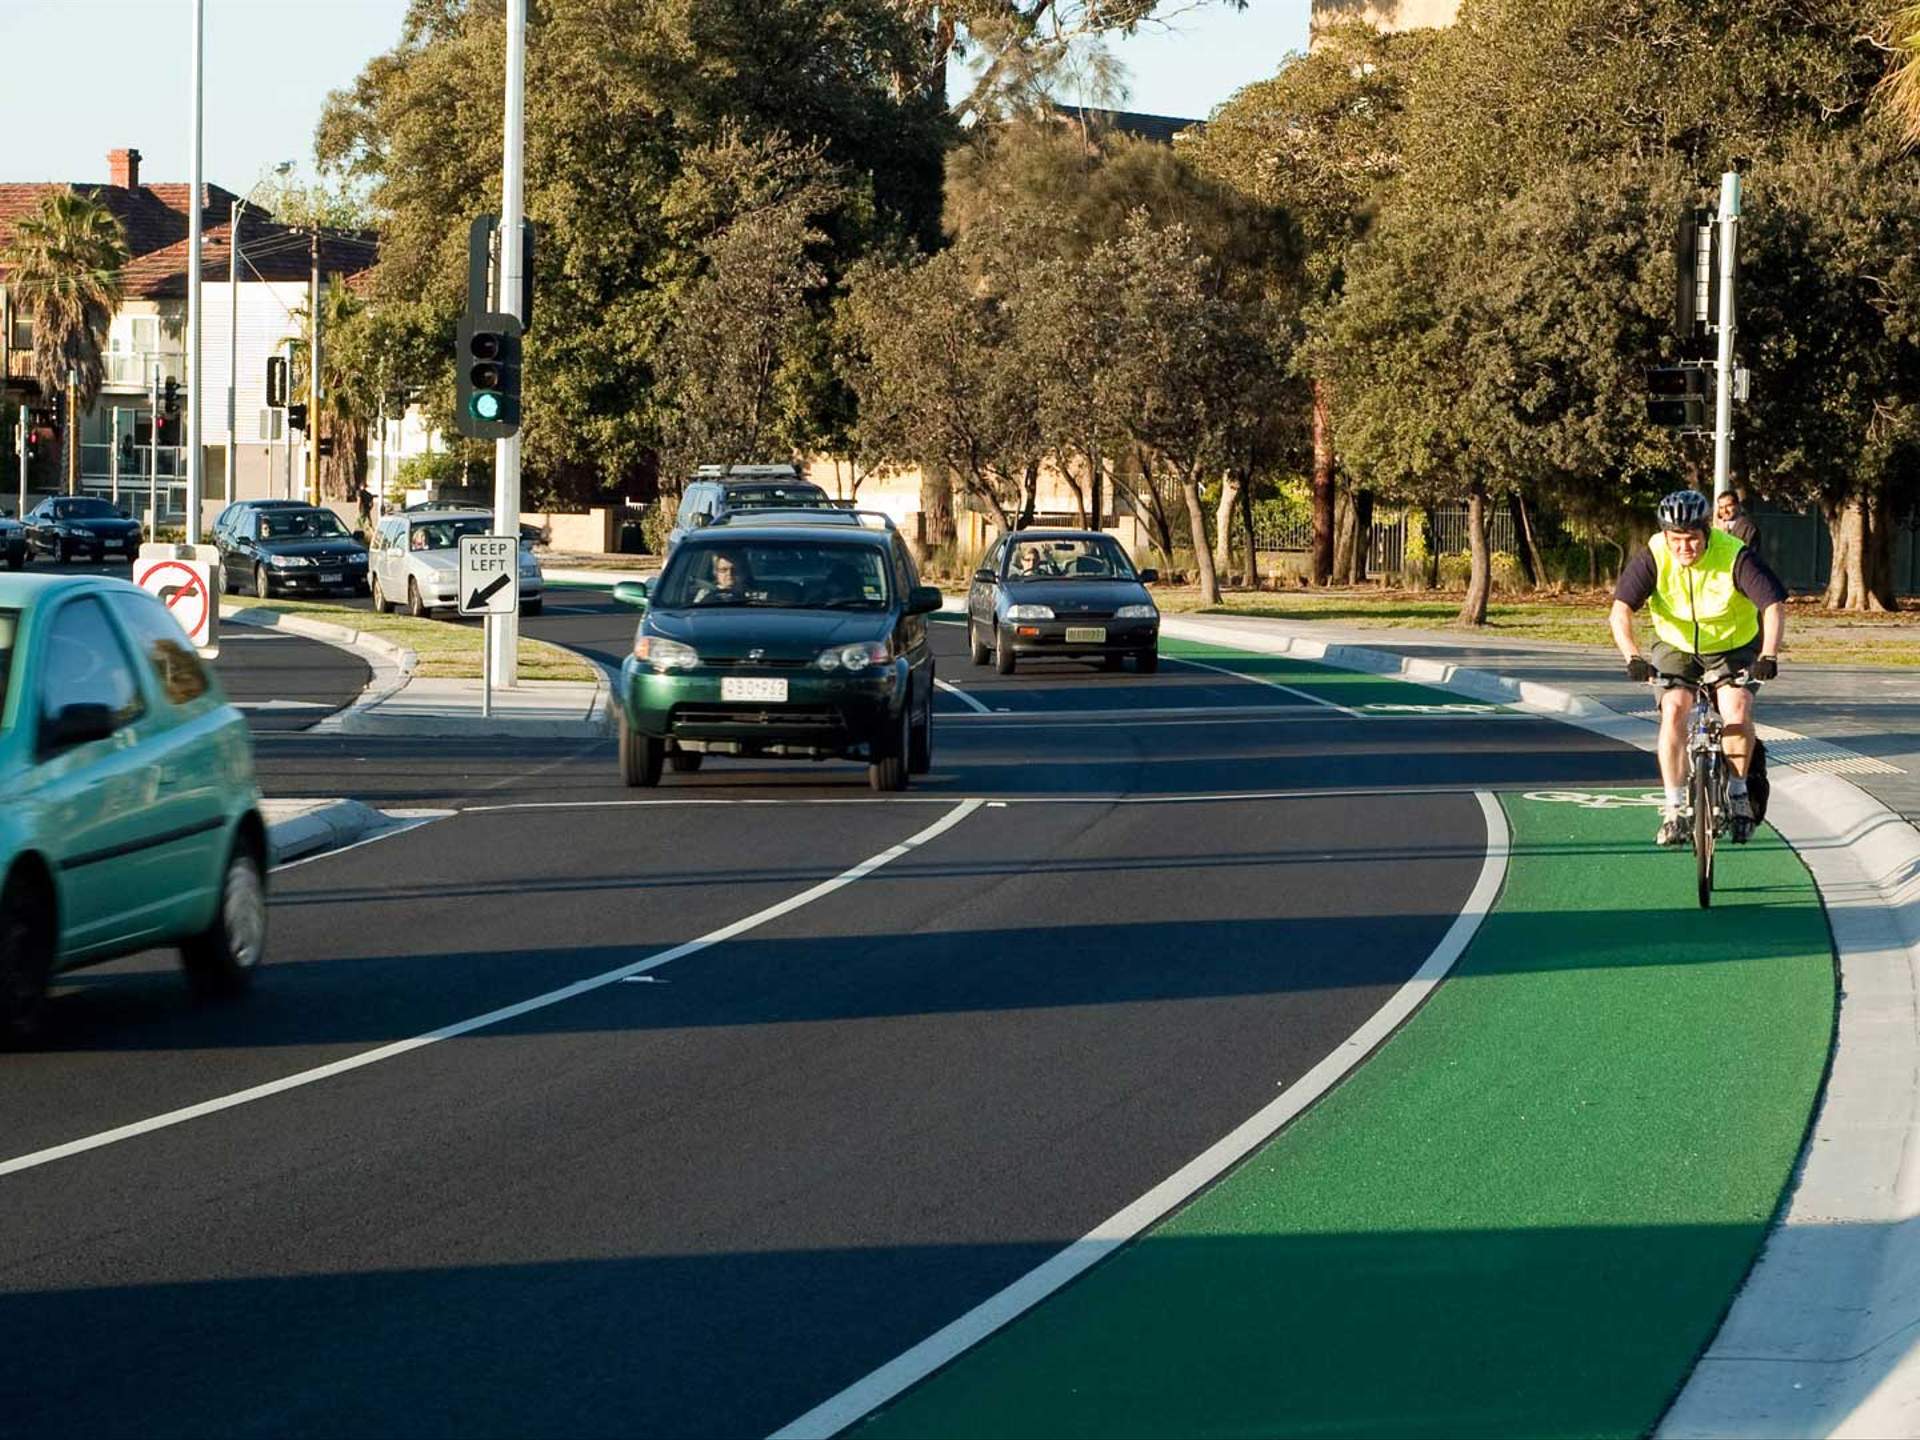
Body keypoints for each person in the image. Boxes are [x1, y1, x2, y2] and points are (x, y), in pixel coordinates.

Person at [1610, 489, 1787, 847]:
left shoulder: (1734, 555)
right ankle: (1674, 809)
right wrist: (1632, 656)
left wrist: (1768, 655)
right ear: (1666, 535)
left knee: (1736, 707)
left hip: (1733, 644)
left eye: (1692, 538)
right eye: (1676, 539)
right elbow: (1620, 611)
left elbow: (1772, 605)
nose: (1684, 547)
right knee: (1674, 709)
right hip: (1676, 645)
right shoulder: (1655, 554)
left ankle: (1738, 794)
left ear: (1707, 532)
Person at [1714, 490, 1762, 559]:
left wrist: (1725, 536)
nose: (1725, 511)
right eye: (1721, 507)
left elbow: (1746, 556)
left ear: (1738, 506)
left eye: (1728, 506)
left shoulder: (1748, 527)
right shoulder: (1716, 527)